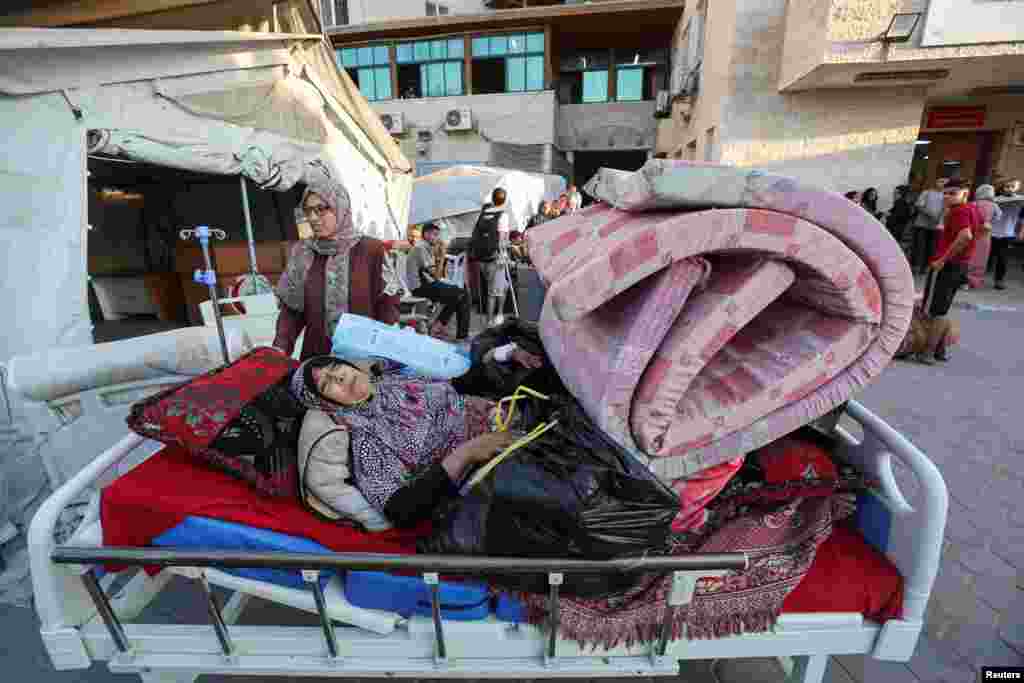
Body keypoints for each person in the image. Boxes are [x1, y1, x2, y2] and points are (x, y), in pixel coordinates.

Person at [290, 357, 520, 527]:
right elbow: (401, 509)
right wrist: (467, 453)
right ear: (328, 403)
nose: (338, 377)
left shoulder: (391, 380)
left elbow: (452, 386)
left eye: (334, 367)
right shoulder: (366, 441)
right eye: (327, 384)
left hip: (505, 417)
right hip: (489, 466)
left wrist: (498, 358)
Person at [274, 173, 401, 361]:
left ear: (340, 206)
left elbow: (388, 306)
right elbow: (291, 312)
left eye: (321, 209)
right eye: (308, 211)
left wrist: (384, 355)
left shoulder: (371, 250)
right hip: (318, 361)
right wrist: (279, 350)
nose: (313, 218)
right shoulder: (302, 253)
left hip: (363, 362)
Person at [918, 178, 979, 364]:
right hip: (960, 265)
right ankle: (939, 350)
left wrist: (943, 259)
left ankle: (928, 352)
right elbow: (985, 227)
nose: (947, 196)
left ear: (965, 193)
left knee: (934, 311)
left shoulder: (959, 211)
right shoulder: (972, 209)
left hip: (947, 266)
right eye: (945, 193)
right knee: (942, 308)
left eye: (952, 193)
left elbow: (965, 235)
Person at [407, 223, 471, 341]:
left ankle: (437, 328)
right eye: (435, 235)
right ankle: (460, 336)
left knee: (458, 295)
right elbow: (436, 275)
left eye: (437, 235)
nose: (437, 238)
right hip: (420, 287)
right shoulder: (421, 248)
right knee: (462, 295)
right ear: (426, 234)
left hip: (425, 284)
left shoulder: (424, 247)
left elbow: (433, 275)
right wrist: (442, 256)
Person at [469, 187, 512, 325]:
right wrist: (505, 255)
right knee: (492, 292)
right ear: (504, 200)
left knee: (503, 286)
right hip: (496, 258)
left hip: (481, 257)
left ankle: (499, 315)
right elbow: (503, 239)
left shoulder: (484, 212)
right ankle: (490, 322)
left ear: (493, 198)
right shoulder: (502, 215)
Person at [992, 179, 1024, 290]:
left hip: (1007, 233)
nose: (1009, 188)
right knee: (987, 256)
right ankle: (974, 278)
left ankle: (999, 280)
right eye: (1007, 186)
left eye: (1012, 186)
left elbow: (1022, 219)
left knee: (1002, 258)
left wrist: (1021, 232)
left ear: (1017, 188)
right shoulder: (995, 199)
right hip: (992, 232)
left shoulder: (1021, 201)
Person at [967, 184, 1001, 289]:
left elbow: (968, 216)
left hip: (974, 231)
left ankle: (964, 280)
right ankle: (976, 280)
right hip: (986, 234)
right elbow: (998, 217)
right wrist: (989, 222)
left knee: (970, 255)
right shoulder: (994, 206)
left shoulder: (973, 204)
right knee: (981, 257)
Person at [912, 177, 948, 275]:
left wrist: (940, 218)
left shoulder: (946, 196)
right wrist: (931, 215)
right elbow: (919, 206)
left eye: (944, 182)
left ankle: (926, 267)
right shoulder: (926, 193)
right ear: (936, 182)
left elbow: (946, 210)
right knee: (919, 247)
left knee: (931, 248)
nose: (942, 184)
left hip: (936, 227)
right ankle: (916, 266)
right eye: (940, 181)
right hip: (922, 225)